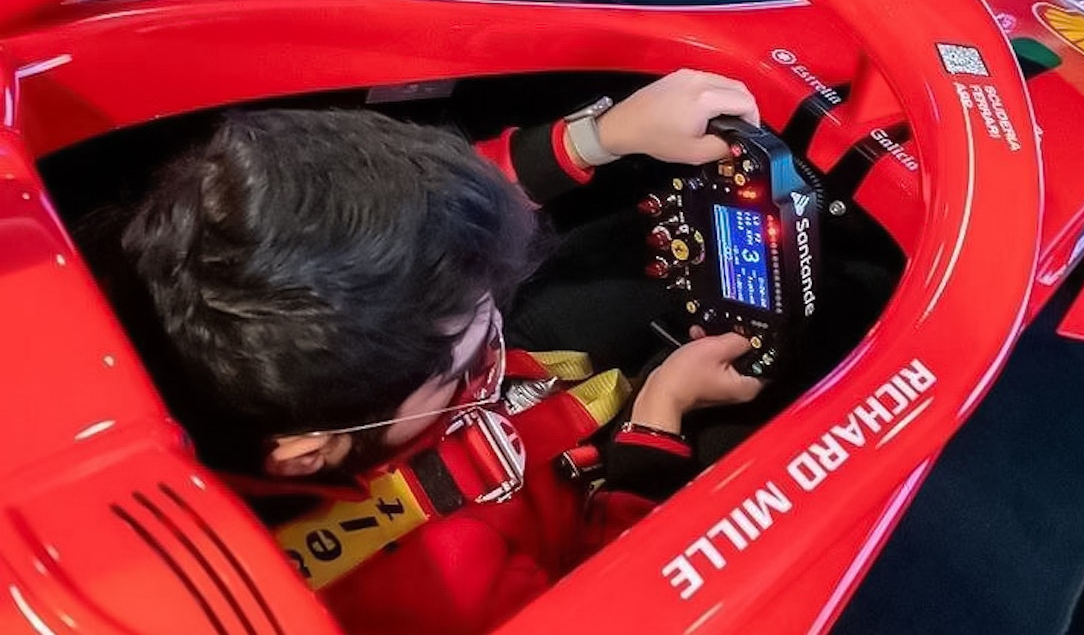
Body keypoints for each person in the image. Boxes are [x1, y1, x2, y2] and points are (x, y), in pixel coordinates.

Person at [120, 69, 765, 633]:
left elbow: (419, 221)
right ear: (311, 452)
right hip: (586, 518)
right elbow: (620, 605)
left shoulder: (201, 271)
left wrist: (603, 134)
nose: (489, 327)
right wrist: (658, 420)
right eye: (467, 350)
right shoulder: (440, 598)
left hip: (506, 419)